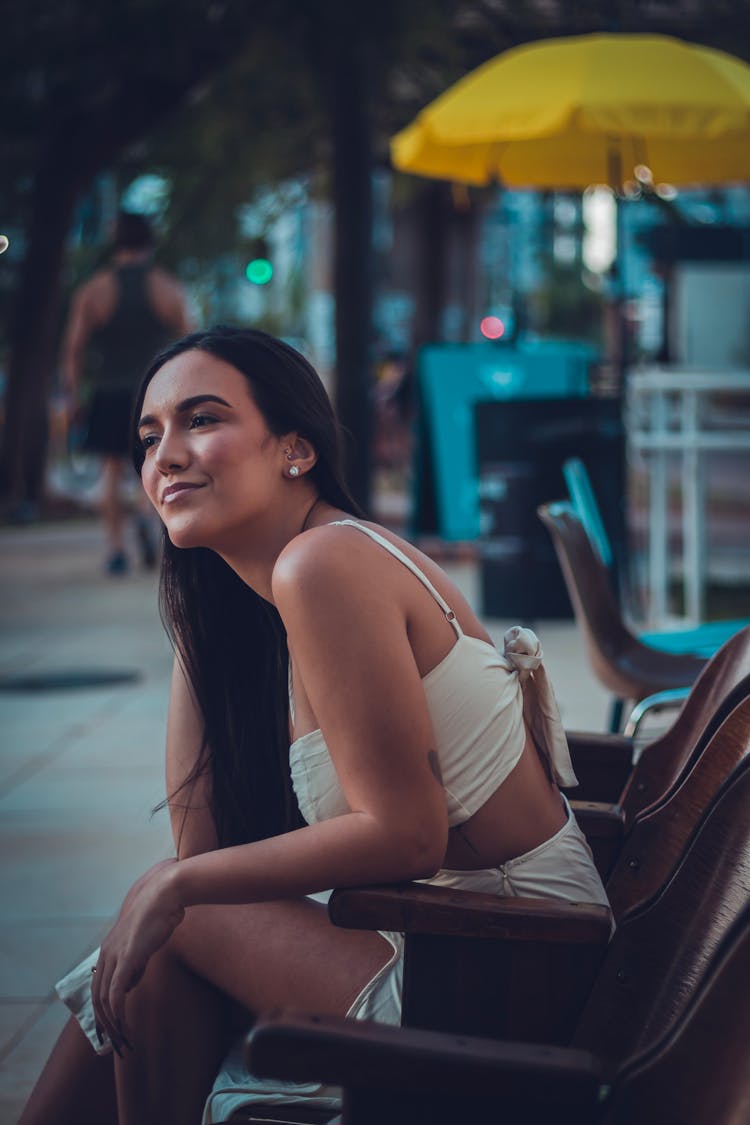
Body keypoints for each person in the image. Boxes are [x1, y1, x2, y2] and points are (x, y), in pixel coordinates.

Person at [20, 326, 610, 1125]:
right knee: (147, 943)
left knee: (165, 923)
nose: (164, 455)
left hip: (508, 968)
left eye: (201, 419)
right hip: (466, 949)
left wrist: (172, 885)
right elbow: (208, 846)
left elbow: (407, 835)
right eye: (149, 436)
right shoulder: (289, 578)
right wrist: (201, 604)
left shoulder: (326, 564)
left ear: (295, 448)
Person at [61, 210, 193, 574]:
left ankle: (117, 550)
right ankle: (146, 524)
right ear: (150, 242)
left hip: (107, 391)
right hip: (155, 395)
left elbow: (74, 349)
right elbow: (192, 345)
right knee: (152, 469)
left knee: (110, 471)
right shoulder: (167, 287)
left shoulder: (93, 290)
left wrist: (73, 395)